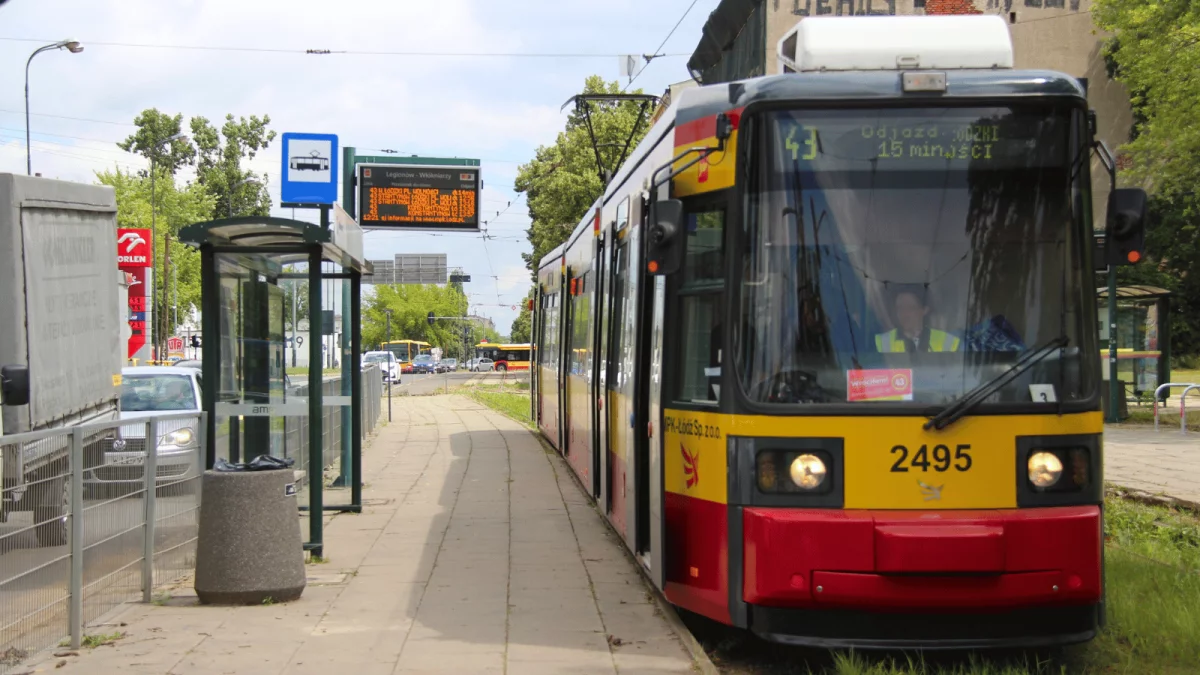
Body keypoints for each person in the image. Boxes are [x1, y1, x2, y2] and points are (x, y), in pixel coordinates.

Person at [875, 286, 961, 353]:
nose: (904, 313)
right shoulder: (882, 342)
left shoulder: (948, 342)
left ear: (924, 310)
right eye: (900, 308)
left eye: (910, 308)